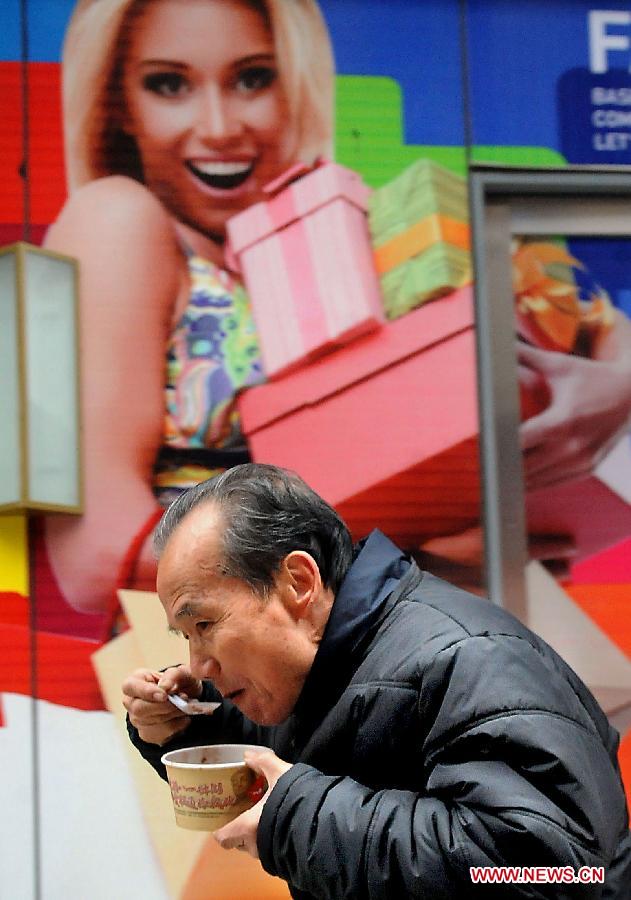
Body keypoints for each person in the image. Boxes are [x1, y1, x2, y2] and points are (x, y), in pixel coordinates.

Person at [123, 463, 630, 899]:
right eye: (185, 635)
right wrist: (178, 732)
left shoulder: (472, 657)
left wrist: (301, 819)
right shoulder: (312, 668)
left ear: (298, 583)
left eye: (205, 625)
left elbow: (553, 871)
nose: (197, 663)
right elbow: (271, 758)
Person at [41, 0, 334, 614]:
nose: (220, 126)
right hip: (197, 669)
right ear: (119, 104)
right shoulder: (116, 218)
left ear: (296, 83)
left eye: (252, 78)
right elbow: (98, 552)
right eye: (168, 84)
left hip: (309, 650)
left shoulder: (307, 246)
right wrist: (344, 563)